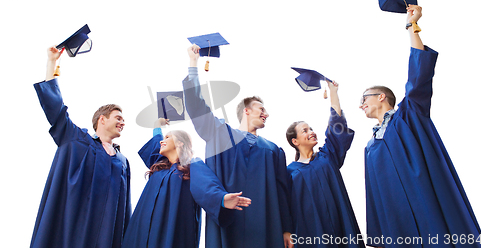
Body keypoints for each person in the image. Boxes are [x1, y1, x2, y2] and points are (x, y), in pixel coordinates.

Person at [360, 5, 481, 247]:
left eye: (364, 98)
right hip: (398, 226)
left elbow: (418, 79)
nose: (360, 105)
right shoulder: (370, 147)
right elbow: (374, 195)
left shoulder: (409, 117)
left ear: (381, 97)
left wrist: (412, 27)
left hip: (427, 207)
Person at [183, 44, 294, 248]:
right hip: (229, 221)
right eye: (261, 109)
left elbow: (281, 191)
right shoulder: (219, 134)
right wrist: (193, 63)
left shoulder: (274, 150)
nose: (266, 114)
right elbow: (196, 106)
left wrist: (286, 228)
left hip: (266, 225)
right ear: (246, 111)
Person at [31, 46, 131, 248]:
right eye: (118, 118)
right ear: (102, 119)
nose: (123, 122)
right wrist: (52, 62)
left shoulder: (122, 162)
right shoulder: (76, 139)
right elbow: (56, 109)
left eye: (123, 120)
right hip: (71, 231)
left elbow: (124, 209)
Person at [122, 118, 251, 248]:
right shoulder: (159, 167)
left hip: (171, 229)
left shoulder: (189, 167)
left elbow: (205, 185)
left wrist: (221, 199)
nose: (162, 140)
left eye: (167, 137)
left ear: (180, 143)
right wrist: (156, 126)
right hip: (142, 230)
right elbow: (156, 144)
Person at [286, 80, 365, 248]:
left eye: (311, 128)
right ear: (295, 141)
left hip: (341, 224)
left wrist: (334, 93)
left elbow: (337, 127)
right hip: (312, 234)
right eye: (305, 131)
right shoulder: (289, 173)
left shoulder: (327, 156)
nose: (311, 132)